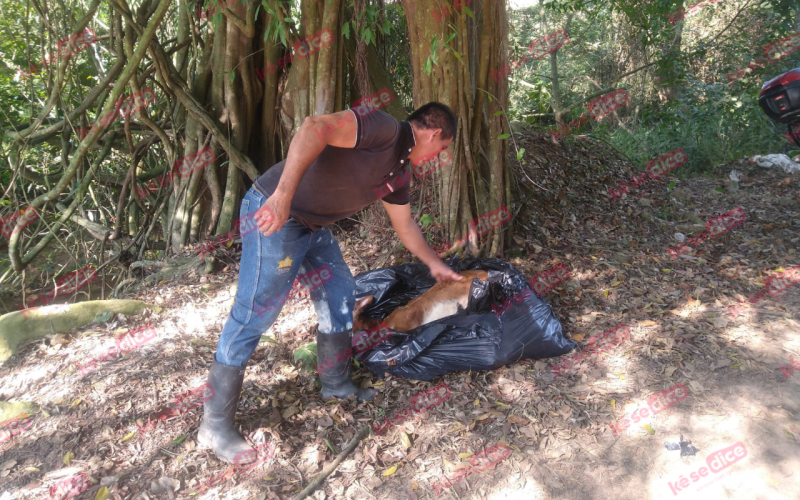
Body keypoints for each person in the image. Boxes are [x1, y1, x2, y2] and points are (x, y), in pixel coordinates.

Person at [198, 101, 464, 463]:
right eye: (443, 147)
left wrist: (435, 264)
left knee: (340, 296)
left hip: (311, 226)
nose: (439, 155)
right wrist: (283, 197)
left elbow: (405, 226)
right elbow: (313, 127)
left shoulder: (399, 174)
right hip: (273, 210)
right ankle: (213, 426)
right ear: (433, 134)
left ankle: (336, 385)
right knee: (254, 313)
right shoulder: (383, 128)